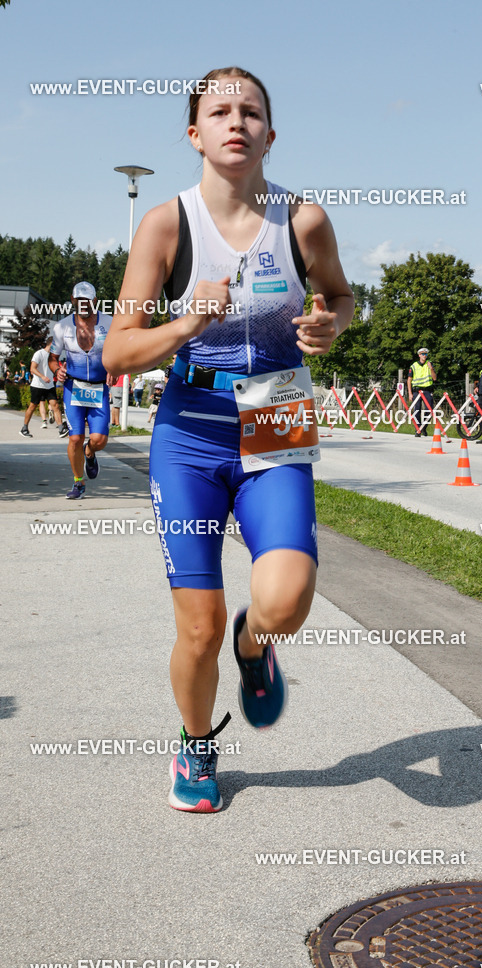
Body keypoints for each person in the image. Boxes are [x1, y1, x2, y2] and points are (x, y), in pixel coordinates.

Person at [102, 66, 355, 813]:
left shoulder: (302, 220)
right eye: (219, 112)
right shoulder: (165, 224)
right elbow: (117, 352)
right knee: (198, 624)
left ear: (270, 134)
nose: (235, 121)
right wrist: (185, 323)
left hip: (276, 410)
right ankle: (195, 746)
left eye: (250, 111)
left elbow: (340, 297)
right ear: (195, 134)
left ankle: (257, 647)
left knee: (285, 598)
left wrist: (327, 326)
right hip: (190, 427)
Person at [49, 282, 115, 498]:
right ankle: (78, 482)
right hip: (73, 387)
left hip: (99, 388)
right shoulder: (61, 327)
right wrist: (57, 370)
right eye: (80, 301)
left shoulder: (109, 323)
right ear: (73, 300)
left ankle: (90, 452)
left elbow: (120, 352)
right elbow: (53, 359)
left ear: (95, 301)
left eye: (88, 301)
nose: (84, 305)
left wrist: (116, 368)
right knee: (75, 438)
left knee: (99, 440)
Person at [20, 339, 69, 438]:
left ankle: (61, 429)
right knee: (32, 406)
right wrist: (42, 376)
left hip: (49, 385)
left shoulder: (53, 357)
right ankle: (24, 428)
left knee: (55, 405)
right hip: (38, 385)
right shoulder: (39, 354)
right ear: (51, 344)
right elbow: (32, 369)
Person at [407, 347, 436, 437]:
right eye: (422, 354)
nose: (424, 356)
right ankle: (418, 429)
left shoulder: (429, 364)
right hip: (417, 391)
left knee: (429, 410)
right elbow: (409, 380)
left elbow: (434, 378)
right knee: (417, 410)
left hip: (427, 390)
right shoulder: (414, 366)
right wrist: (410, 393)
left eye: (426, 354)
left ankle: (424, 427)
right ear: (419, 355)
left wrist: (431, 368)